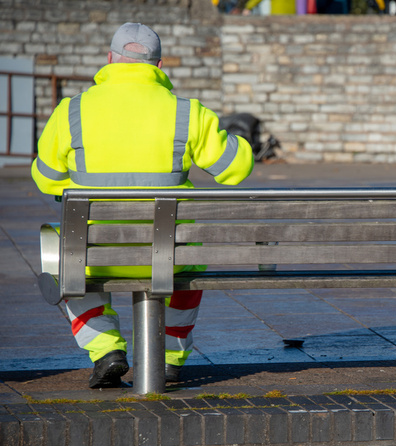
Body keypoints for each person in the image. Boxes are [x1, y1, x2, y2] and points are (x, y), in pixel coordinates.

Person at [31, 22, 255, 388]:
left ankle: (105, 349)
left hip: (93, 252)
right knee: (187, 265)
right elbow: (235, 168)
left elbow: (45, 178)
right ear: (159, 66)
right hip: (167, 254)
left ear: (109, 60)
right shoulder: (187, 112)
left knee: (64, 260)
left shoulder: (71, 111)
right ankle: (168, 358)